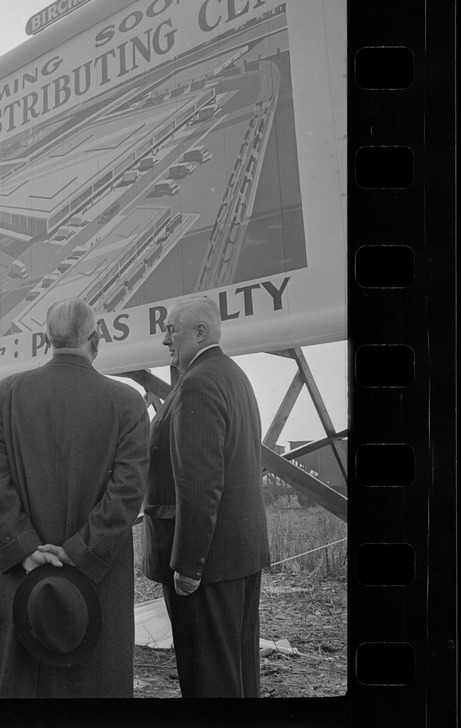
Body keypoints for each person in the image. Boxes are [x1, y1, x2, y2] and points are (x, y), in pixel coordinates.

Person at [0, 298, 150, 698]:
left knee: (22, 682)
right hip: (97, 581)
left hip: (24, 577)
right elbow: (128, 491)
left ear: (45, 339)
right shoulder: (127, 402)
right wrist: (80, 552)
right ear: (96, 339)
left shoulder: (7, 394)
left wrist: (26, 549)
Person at [142, 296, 270, 698]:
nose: (165, 339)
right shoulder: (232, 375)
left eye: (171, 329)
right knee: (237, 670)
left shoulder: (197, 384)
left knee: (209, 681)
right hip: (238, 555)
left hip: (208, 565)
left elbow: (200, 484)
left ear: (200, 333)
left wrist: (189, 565)